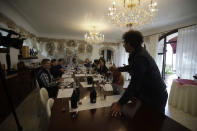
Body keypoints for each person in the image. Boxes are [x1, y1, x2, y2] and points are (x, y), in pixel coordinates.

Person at [110, 30, 168, 117]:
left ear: (129, 43)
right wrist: (118, 69)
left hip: (155, 95)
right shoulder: (136, 53)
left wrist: (120, 104)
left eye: (124, 43)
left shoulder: (140, 57)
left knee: (155, 122)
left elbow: (134, 84)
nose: (123, 45)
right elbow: (132, 67)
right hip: (147, 92)